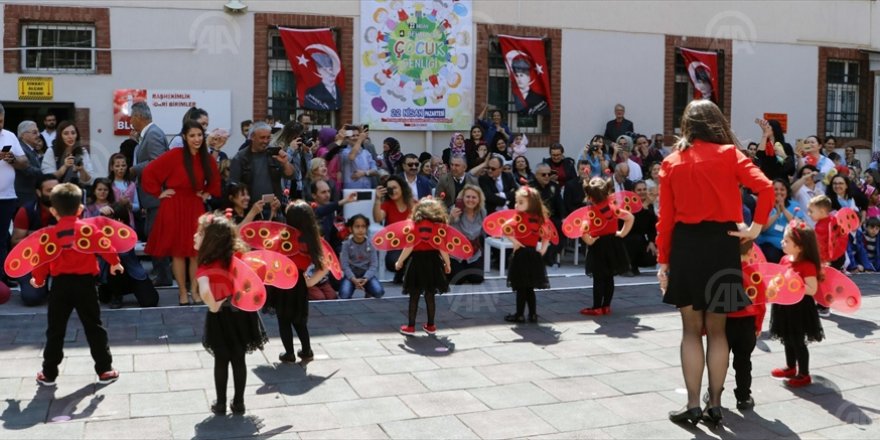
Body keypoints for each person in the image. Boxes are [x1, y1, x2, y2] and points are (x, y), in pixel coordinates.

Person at [658, 100, 773, 427]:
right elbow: (765, 189)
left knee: (691, 331)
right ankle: (717, 404)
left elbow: (665, 221)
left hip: (686, 247)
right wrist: (754, 229)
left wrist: (663, 262)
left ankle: (693, 405)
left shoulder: (671, 162)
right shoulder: (730, 155)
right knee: (719, 330)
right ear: (717, 123)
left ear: (687, 125)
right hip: (723, 245)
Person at [32, 183, 122, 387]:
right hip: (86, 285)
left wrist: (38, 280)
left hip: (60, 286)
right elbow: (105, 245)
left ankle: (49, 373)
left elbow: (41, 260)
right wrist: (115, 263)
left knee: (55, 329)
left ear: (53, 210)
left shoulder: (50, 234)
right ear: (80, 209)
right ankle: (105, 369)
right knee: (94, 327)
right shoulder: (89, 229)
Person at [195, 212, 267, 415]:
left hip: (220, 315)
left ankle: (220, 403)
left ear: (210, 240)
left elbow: (205, 291)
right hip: (242, 314)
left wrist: (213, 305)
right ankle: (239, 402)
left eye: (199, 233)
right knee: (238, 358)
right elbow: (256, 273)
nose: (195, 236)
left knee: (221, 359)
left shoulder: (206, 264)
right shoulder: (238, 257)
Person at [142, 120, 222, 306]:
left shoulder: (206, 158)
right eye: (192, 135)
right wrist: (158, 193)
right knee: (178, 252)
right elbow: (149, 172)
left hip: (194, 206)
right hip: (174, 205)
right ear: (184, 137)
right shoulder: (174, 155)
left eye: (199, 135)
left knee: (196, 252)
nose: (196, 139)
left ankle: (194, 290)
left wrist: (206, 193)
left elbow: (215, 180)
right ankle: (182, 292)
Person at [270, 201, 330, 363]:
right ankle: (306, 350)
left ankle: (289, 353)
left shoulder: (284, 237)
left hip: (283, 281)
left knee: (284, 320)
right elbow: (325, 266)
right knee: (299, 320)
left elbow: (270, 253)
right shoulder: (312, 239)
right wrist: (310, 282)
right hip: (300, 284)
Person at [85, 178, 157, 309]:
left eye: (105, 189)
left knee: (150, 301)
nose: (102, 192)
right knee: (113, 259)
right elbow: (86, 229)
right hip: (109, 274)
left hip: (132, 271)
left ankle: (128, 290)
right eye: (99, 189)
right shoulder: (91, 212)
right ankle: (115, 295)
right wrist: (100, 216)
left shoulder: (124, 226)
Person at [769, 222, 824, 388]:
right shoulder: (785, 259)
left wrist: (794, 285)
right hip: (784, 306)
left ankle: (804, 373)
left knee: (798, 340)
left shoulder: (807, 265)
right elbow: (779, 277)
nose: (782, 243)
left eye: (786, 241)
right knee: (787, 337)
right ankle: (790, 367)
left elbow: (812, 288)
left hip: (799, 308)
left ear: (799, 247)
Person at [129, 102, 172, 286]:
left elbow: (159, 162)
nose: (130, 121)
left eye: (131, 117)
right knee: (152, 233)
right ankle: (161, 273)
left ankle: (163, 276)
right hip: (152, 196)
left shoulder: (153, 134)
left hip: (158, 196)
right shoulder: (147, 134)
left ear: (139, 117)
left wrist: (135, 169)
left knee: (156, 235)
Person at [578, 177, 634, 315]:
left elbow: (583, 230)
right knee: (609, 277)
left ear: (589, 195)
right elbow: (630, 217)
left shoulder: (590, 211)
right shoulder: (613, 207)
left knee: (598, 278)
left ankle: (597, 307)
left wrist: (589, 241)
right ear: (607, 192)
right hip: (614, 243)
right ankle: (606, 306)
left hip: (598, 245)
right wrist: (622, 233)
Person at [396, 198, 452, 336]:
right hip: (433, 262)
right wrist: (447, 263)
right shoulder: (439, 227)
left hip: (416, 262)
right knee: (430, 294)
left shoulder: (414, 226)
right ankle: (431, 325)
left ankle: (410, 326)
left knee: (414, 295)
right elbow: (442, 247)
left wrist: (400, 261)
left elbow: (409, 246)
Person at [725, 240, 767, 410]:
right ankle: (743, 396)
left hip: (725, 323)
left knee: (719, 360)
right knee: (743, 361)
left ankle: (713, 393)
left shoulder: (724, 272)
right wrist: (758, 325)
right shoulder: (754, 273)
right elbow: (761, 303)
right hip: (747, 323)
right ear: (751, 252)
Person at [500, 186, 552, 323]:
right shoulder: (540, 219)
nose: (517, 205)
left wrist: (515, 242)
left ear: (532, 203)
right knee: (529, 287)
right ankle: (532, 314)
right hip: (533, 255)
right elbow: (547, 235)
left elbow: (504, 228)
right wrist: (543, 248)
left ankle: (520, 314)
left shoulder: (519, 217)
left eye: (520, 202)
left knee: (521, 287)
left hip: (521, 254)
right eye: (517, 202)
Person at [10, 174, 58, 305]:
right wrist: (41, 237)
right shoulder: (26, 210)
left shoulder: (69, 208)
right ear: (38, 192)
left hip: (59, 259)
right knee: (32, 298)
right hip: (31, 260)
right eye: (49, 190)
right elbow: (15, 241)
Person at [229, 122, 295, 210]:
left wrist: (285, 163)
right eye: (262, 138)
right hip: (250, 211)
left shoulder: (274, 154)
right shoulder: (240, 158)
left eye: (268, 137)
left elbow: (290, 175)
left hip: (273, 209)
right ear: (252, 137)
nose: (266, 141)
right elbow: (233, 186)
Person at [807, 195, 847, 317]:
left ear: (822, 211)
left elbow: (821, 247)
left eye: (811, 211)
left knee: (824, 283)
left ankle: (824, 307)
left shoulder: (821, 226)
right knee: (828, 282)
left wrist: (821, 261)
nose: (809, 214)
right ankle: (823, 305)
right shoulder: (833, 220)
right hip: (839, 256)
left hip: (827, 259)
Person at [374, 175, 415, 284]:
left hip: (412, 244)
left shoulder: (411, 203)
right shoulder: (387, 205)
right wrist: (378, 199)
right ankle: (403, 273)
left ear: (402, 188)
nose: (392, 191)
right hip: (395, 245)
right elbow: (378, 218)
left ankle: (405, 274)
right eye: (389, 189)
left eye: (395, 187)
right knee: (393, 261)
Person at [756, 179, 805, 263]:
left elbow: (799, 225)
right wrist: (777, 214)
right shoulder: (764, 204)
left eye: (782, 189)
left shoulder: (794, 205)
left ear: (787, 191)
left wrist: (784, 210)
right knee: (772, 255)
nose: (779, 192)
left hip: (789, 244)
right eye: (775, 189)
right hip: (768, 244)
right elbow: (762, 229)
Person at [338, 214, 385, 299]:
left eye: (363, 226)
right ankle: (352, 288)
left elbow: (373, 265)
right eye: (357, 226)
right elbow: (345, 265)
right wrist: (353, 279)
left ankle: (368, 290)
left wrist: (366, 278)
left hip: (366, 275)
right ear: (350, 229)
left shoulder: (371, 244)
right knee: (344, 294)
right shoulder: (346, 245)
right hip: (351, 276)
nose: (360, 230)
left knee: (379, 292)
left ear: (366, 228)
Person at [449, 185, 487, 284]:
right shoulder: (455, 210)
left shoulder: (482, 212)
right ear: (463, 198)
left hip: (473, 253)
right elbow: (444, 228)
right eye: (468, 197)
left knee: (477, 279)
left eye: (474, 197)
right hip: (456, 253)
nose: (471, 200)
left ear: (479, 199)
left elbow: (484, 231)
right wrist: (451, 217)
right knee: (457, 280)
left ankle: (467, 270)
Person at [41, 121, 94, 187]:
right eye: (66, 134)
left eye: (73, 133)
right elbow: (47, 179)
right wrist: (65, 167)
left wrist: (81, 169)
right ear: (60, 136)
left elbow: (89, 181)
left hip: (77, 192)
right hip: (57, 192)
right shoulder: (51, 151)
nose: (70, 136)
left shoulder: (82, 151)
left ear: (77, 135)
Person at [623, 181, 658, 275]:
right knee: (635, 239)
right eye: (639, 190)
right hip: (626, 239)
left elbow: (652, 227)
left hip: (640, 239)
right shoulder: (628, 204)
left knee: (654, 253)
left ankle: (634, 265)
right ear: (633, 192)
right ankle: (626, 267)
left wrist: (651, 242)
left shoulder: (649, 204)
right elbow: (635, 226)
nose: (642, 192)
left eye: (644, 189)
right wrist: (643, 208)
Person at [532, 163, 564, 266]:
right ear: (536, 175)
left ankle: (550, 255)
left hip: (552, 218)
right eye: (543, 174)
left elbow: (560, 204)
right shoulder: (530, 187)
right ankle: (544, 257)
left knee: (563, 228)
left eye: (548, 174)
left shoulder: (554, 186)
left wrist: (564, 218)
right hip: (535, 218)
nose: (547, 177)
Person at [15, 121, 45, 208]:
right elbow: (27, 170)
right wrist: (45, 174)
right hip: (23, 197)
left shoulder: (31, 149)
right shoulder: (20, 149)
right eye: (34, 132)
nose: (38, 135)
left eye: (38, 132)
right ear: (23, 135)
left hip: (30, 195)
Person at [108, 153, 139, 227]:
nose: (121, 168)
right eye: (117, 166)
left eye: (123, 165)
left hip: (128, 221)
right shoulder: (108, 184)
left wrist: (129, 204)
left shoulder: (131, 185)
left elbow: (137, 206)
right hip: (111, 220)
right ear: (112, 167)